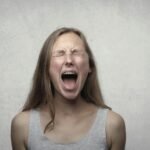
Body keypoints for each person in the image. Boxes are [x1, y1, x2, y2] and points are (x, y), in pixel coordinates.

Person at [11, 27, 126, 150]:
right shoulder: (22, 126)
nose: (69, 60)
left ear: (89, 66)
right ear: (46, 68)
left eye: (76, 52)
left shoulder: (112, 126)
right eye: (60, 53)